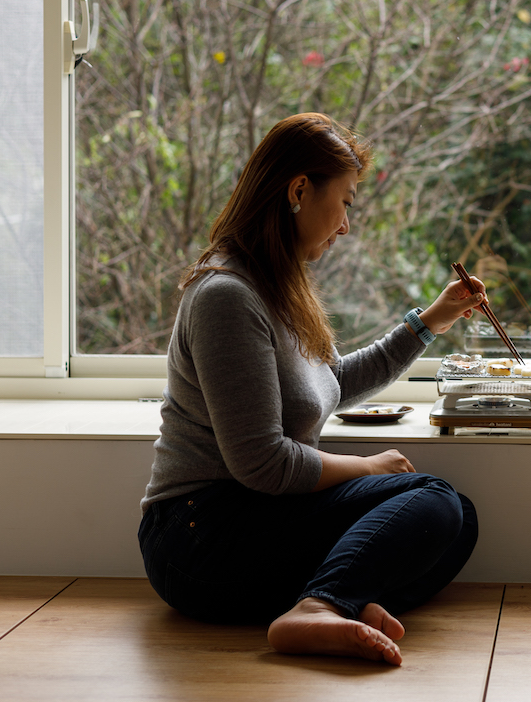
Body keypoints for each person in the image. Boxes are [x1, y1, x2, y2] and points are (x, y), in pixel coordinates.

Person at [137, 112, 485, 666]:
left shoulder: (275, 287)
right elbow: (262, 464)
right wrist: (367, 468)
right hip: (198, 537)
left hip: (255, 517)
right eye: (345, 201)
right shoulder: (227, 296)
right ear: (299, 189)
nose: (346, 223)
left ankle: (332, 600)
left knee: (457, 519)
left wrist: (429, 322)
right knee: (432, 499)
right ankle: (321, 607)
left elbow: (330, 384)